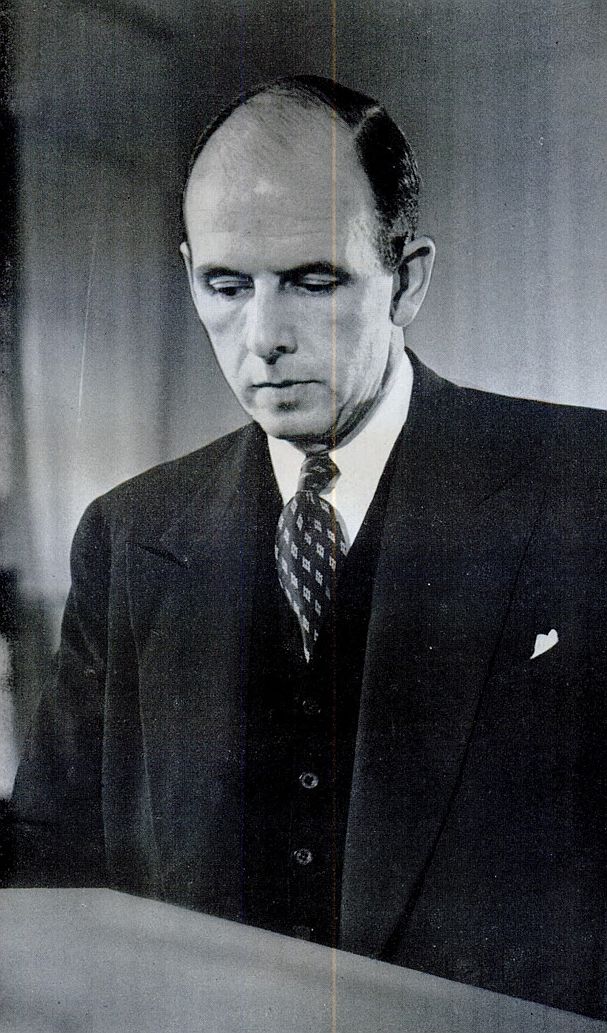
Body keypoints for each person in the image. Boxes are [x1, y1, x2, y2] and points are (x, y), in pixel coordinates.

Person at [5, 76, 607, 1019]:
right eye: (226, 286)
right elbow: (49, 863)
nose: (264, 338)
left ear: (406, 280)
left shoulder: (583, 485)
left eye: (313, 282)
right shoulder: (128, 534)